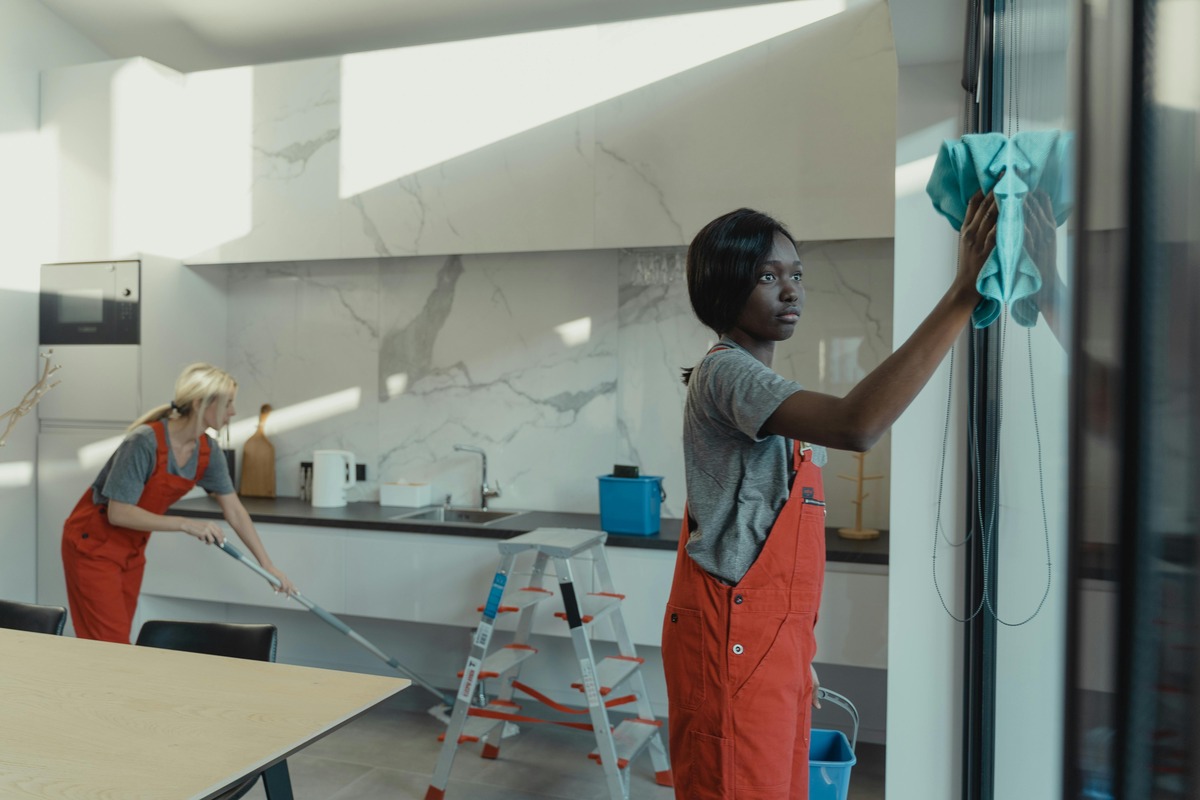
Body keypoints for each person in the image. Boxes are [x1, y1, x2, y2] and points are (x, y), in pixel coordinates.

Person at [661, 192, 998, 799]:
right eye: (767, 276)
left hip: (771, 643)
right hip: (731, 640)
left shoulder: (765, 387)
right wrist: (962, 294)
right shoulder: (726, 372)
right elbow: (856, 425)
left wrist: (794, 647)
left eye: (796, 274)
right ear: (724, 287)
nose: (790, 290)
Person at [61, 363, 295, 643]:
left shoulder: (207, 450)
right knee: (108, 643)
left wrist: (266, 565)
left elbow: (234, 509)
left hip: (132, 548)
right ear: (200, 403)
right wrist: (185, 524)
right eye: (228, 403)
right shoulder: (143, 442)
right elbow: (118, 513)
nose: (233, 411)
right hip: (93, 545)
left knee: (117, 639)